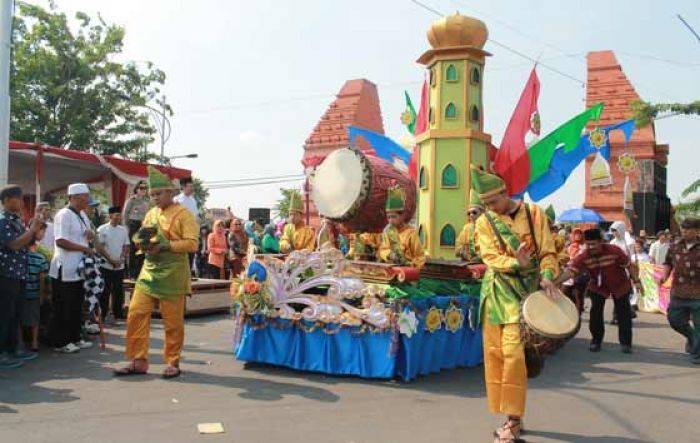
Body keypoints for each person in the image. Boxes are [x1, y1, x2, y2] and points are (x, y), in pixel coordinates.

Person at [470, 166, 558, 442]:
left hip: (525, 297)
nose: (490, 208)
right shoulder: (485, 222)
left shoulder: (534, 215)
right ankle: (512, 415)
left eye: (493, 202)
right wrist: (514, 262)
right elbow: (489, 256)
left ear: (505, 193)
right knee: (497, 357)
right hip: (497, 295)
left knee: (514, 357)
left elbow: (547, 252)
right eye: (485, 205)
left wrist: (546, 277)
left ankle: (512, 421)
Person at [114, 166, 199, 379]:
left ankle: (172, 362)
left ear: (170, 192)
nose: (155, 198)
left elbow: (192, 244)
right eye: (152, 195)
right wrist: (142, 243)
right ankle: (138, 360)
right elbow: (143, 236)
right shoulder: (151, 213)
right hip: (149, 271)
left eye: (158, 193)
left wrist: (166, 246)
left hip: (173, 274)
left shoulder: (183, 214)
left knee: (172, 322)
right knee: (135, 313)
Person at [553, 228, 635, 353]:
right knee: (595, 313)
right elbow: (570, 272)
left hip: (619, 284)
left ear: (601, 242)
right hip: (598, 286)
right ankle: (596, 341)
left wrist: (637, 281)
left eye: (594, 244)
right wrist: (553, 282)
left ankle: (626, 344)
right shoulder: (584, 256)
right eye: (588, 244)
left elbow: (630, 266)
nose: (591, 247)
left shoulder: (614, 250)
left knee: (623, 314)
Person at [0, 185, 44, 369]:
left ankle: (13, 350)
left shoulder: (16, 220)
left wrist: (33, 229)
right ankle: (3, 354)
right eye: (19, 198)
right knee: (5, 316)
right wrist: (32, 230)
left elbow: (25, 243)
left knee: (15, 315)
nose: (22, 202)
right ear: (7, 199)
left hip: (19, 274)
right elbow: (15, 244)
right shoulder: (3, 221)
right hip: (6, 274)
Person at [49, 183, 95, 354]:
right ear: (74, 197)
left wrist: (89, 236)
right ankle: (60, 342)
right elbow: (60, 241)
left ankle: (75, 337)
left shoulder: (82, 214)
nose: (87, 200)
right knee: (63, 306)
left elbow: (86, 236)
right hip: (64, 267)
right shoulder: (64, 214)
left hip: (78, 268)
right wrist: (84, 248)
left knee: (76, 304)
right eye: (84, 197)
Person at [663, 217, 699, 365]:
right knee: (674, 320)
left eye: (688, 229)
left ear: (697, 231)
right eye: (683, 228)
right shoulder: (674, 246)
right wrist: (664, 276)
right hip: (679, 292)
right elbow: (667, 262)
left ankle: (697, 353)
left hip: (698, 294)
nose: (684, 231)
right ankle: (692, 337)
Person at [19, 225, 50, 357]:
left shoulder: (19, 258)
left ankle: (20, 343)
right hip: (34, 293)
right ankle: (34, 343)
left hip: (21, 293)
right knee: (34, 320)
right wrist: (41, 295)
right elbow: (42, 279)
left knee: (19, 319)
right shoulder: (40, 258)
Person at [378, 186, 425, 268]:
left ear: (402, 216)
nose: (390, 220)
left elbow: (420, 258)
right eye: (388, 217)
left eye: (393, 217)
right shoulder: (388, 232)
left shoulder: (411, 233)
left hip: (408, 272)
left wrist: (410, 265)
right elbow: (382, 250)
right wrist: (390, 255)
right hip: (391, 269)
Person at [96, 206, 130, 321]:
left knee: (118, 291)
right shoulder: (102, 229)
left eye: (119, 215)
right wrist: (111, 260)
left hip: (119, 266)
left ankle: (118, 313)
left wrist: (121, 258)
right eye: (116, 215)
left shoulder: (123, 229)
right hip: (105, 265)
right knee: (105, 291)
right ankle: (103, 314)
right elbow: (99, 247)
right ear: (110, 216)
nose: (118, 218)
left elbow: (126, 245)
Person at [123, 180, 149, 279]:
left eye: (145, 188)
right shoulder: (131, 200)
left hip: (143, 226)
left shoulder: (147, 201)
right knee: (133, 250)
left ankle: (140, 273)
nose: (143, 190)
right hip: (133, 225)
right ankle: (132, 274)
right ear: (136, 189)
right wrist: (128, 227)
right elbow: (125, 215)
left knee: (142, 250)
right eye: (141, 188)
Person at [455, 189, 483, 263]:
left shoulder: (489, 228)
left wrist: (480, 257)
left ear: (482, 213)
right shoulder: (467, 228)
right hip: (468, 263)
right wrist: (462, 252)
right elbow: (458, 247)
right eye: (469, 213)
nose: (471, 215)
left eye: (474, 212)